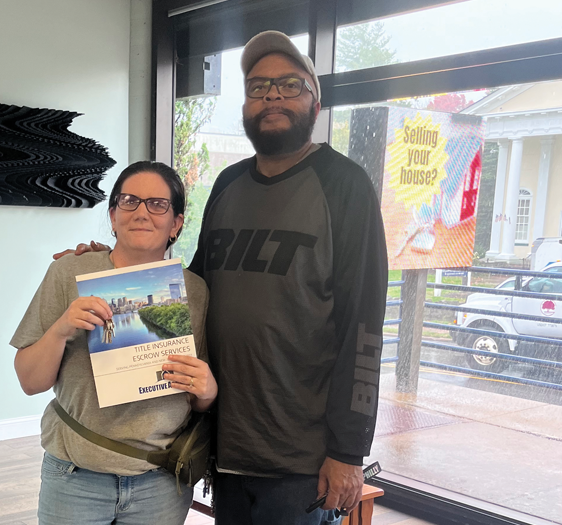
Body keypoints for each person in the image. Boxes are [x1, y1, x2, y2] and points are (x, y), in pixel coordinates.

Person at [57, 30, 388, 525]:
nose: (271, 95)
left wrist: (348, 452)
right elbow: (191, 290)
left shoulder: (345, 186)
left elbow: (365, 327)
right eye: (258, 87)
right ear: (245, 106)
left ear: (314, 103)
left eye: (288, 84)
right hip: (225, 440)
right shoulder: (229, 183)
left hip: (299, 457)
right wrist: (114, 263)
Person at [12, 161, 217, 525]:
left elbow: (196, 398)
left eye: (157, 204)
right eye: (129, 201)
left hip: (161, 481)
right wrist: (61, 328)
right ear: (112, 214)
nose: (141, 212)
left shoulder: (195, 290)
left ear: (177, 223)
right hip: (75, 475)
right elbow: (30, 382)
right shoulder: (69, 273)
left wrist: (208, 389)